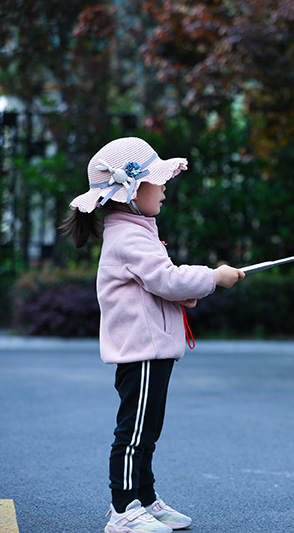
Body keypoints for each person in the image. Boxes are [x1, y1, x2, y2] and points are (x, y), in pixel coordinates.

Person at [63, 137, 245, 532]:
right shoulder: (129, 237)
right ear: (130, 191)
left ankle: (145, 499)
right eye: (157, 180)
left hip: (153, 350)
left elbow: (155, 285)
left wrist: (188, 293)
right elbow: (166, 278)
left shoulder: (138, 230)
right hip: (140, 352)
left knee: (149, 429)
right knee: (134, 432)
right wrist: (214, 277)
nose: (164, 187)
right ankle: (124, 509)